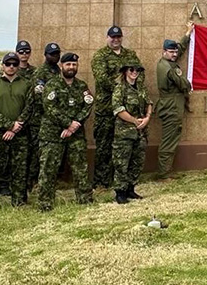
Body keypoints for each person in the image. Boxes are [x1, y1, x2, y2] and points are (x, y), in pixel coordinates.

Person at [37, 52, 94, 212]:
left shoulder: (82, 86)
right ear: (62, 66)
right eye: (68, 64)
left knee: (80, 168)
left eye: (74, 64)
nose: (71, 67)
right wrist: (69, 124)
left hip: (75, 135)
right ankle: (45, 203)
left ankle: (85, 199)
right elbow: (49, 108)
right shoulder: (52, 85)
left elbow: (88, 105)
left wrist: (75, 125)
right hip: (52, 134)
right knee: (48, 169)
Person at [91, 26, 143, 188]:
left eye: (118, 37)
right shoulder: (100, 56)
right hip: (106, 109)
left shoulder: (130, 55)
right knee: (104, 146)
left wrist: (131, 85)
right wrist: (125, 85)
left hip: (128, 110)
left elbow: (139, 75)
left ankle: (122, 182)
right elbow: (102, 80)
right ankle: (101, 182)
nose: (115, 40)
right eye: (112, 37)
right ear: (107, 38)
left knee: (125, 147)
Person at [0, 52, 33, 212]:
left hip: (20, 135)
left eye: (14, 64)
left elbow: (29, 107)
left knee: (20, 168)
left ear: (18, 66)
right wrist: (9, 126)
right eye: (8, 64)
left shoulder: (27, 84)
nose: (11, 67)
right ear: (2, 66)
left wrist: (16, 127)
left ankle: (19, 201)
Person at [155, 23, 194, 180]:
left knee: (171, 138)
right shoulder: (168, 68)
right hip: (170, 107)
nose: (174, 54)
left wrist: (188, 33)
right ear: (164, 52)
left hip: (172, 106)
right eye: (171, 52)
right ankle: (164, 173)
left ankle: (165, 170)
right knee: (169, 141)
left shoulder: (167, 61)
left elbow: (180, 48)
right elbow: (183, 84)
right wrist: (189, 84)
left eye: (175, 52)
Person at [112, 64, 152, 204]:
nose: (135, 72)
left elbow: (149, 103)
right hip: (125, 133)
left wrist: (147, 117)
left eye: (138, 70)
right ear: (125, 71)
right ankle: (120, 192)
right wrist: (135, 121)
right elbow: (118, 109)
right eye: (132, 70)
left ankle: (130, 189)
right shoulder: (120, 88)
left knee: (137, 162)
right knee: (122, 163)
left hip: (140, 132)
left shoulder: (140, 87)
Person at [27, 42, 61, 191]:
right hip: (40, 120)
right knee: (37, 153)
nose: (55, 56)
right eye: (52, 54)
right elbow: (40, 98)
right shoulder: (40, 73)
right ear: (45, 55)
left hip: (54, 120)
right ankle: (33, 182)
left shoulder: (58, 71)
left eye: (57, 54)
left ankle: (48, 181)